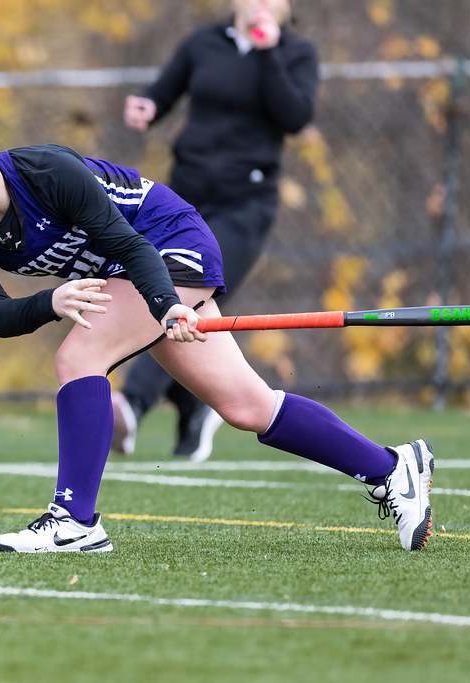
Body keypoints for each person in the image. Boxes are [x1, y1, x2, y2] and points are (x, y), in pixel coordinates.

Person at [0, 84, 433, 553]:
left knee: (79, 356)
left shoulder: (48, 173)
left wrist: (166, 304)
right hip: (136, 275)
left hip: (168, 243)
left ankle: (74, 519)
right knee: (248, 407)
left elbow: (132, 248)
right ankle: (392, 469)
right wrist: (53, 300)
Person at [117, 0, 319, 462]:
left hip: (245, 204)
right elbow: (163, 93)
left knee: (181, 291)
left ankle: (132, 404)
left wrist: (268, 51)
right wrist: (147, 106)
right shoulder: (202, 44)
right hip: (184, 203)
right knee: (184, 301)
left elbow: (296, 116)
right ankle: (194, 404)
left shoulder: (296, 53)